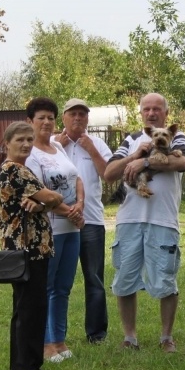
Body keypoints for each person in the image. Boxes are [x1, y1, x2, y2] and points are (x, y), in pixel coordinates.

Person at [103, 93, 185, 352]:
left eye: (157, 109)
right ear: (141, 113)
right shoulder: (130, 139)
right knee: (125, 280)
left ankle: (166, 337)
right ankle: (130, 337)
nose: (151, 113)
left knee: (165, 280)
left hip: (163, 219)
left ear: (165, 112)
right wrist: (134, 157)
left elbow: (182, 161)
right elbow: (109, 173)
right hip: (129, 219)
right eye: (147, 109)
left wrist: (145, 161)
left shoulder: (178, 136)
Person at [0, 121, 62, 370]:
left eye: (29, 139)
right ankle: (26, 368)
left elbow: (46, 202)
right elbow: (55, 198)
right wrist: (46, 200)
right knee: (30, 309)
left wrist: (40, 204)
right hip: (28, 249)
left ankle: (24, 365)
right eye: (19, 140)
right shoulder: (15, 171)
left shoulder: (17, 170)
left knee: (26, 308)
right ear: (7, 144)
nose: (25, 144)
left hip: (29, 248)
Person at [25, 97, 85, 363]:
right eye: (41, 118)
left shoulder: (58, 147)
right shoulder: (30, 155)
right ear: (30, 122)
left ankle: (60, 341)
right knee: (46, 288)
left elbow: (77, 178)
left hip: (72, 229)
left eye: (50, 117)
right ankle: (47, 344)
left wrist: (80, 205)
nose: (47, 122)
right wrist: (69, 212)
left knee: (63, 287)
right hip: (48, 230)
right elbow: (40, 195)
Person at [55, 98, 113, 344]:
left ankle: (96, 334)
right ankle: (56, 334)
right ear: (64, 118)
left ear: (88, 119)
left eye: (82, 114)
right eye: (72, 114)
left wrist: (91, 149)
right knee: (58, 281)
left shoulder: (98, 143)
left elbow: (109, 176)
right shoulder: (53, 145)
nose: (78, 118)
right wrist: (58, 143)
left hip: (91, 221)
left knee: (94, 278)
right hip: (59, 221)